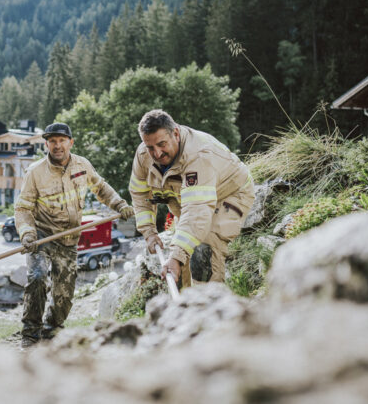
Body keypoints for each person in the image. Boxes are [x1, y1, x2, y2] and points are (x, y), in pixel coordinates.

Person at [14, 122, 135, 347]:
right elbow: (22, 209)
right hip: (42, 236)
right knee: (38, 277)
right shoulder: (35, 172)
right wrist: (27, 233)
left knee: (64, 294)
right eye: (52, 141)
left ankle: (52, 331)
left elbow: (101, 188)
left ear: (71, 142)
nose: (57, 146)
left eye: (61, 141)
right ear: (46, 144)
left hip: (69, 239)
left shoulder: (83, 165)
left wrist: (119, 204)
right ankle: (30, 335)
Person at [129, 110, 255, 287]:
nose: (157, 153)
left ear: (176, 134)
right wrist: (149, 232)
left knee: (204, 248)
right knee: (179, 257)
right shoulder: (143, 155)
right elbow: (140, 194)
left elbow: (197, 212)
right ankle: (185, 307)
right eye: (150, 147)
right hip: (190, 202)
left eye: (162, 144)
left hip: (230, 194)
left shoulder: (199, 155)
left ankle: (208, 305)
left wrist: (177, 255)